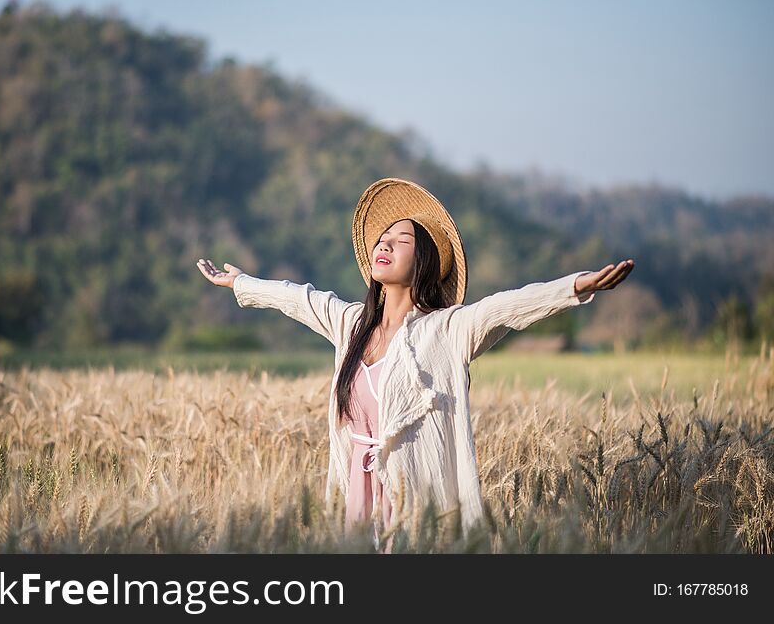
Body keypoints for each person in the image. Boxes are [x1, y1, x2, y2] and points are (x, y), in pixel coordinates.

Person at [197, 177, 634, 552]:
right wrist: (242, 283)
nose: (383, 244)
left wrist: (574, 287)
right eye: (382, 239)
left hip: (417, 506)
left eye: (400, 240)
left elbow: (506, 307)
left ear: (423, 260)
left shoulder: (448, 331)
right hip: (356, 503)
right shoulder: (351, 325)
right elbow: (300, 299)